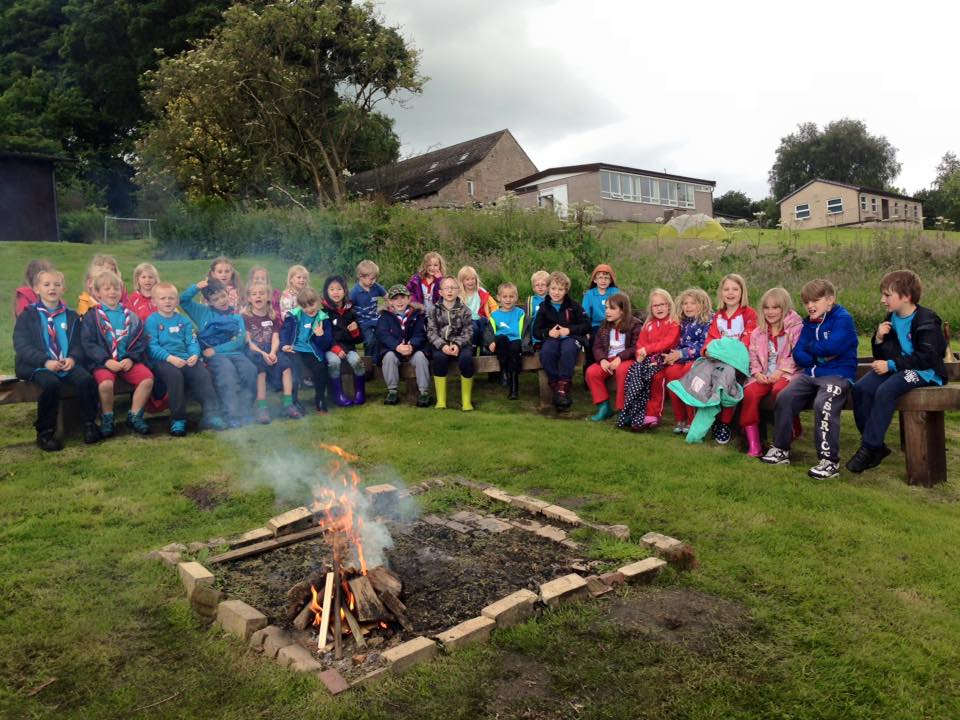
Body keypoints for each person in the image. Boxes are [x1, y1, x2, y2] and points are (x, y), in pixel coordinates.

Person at [847, 270, 948, 473]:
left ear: (906, 297)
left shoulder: (927, 320)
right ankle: (875, 445)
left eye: (887, 295)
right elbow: (883, 355)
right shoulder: (891, 318)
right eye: (883, 295)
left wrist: (891, 365)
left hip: (924, 372)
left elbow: (927, 357)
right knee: (861, 388)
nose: (882, 300)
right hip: (898, 368)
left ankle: (869, 448)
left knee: (886, 390)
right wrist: (879, 340)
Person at [761, 279, 858, 480]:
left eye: (815, 301)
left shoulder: (842, 319)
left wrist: (813, 349)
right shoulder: (808, 322)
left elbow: (835, 346)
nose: (810, 306)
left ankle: (829, 461)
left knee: (824, 404)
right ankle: (780, 449)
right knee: (785, 396)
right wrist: (819, 353)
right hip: (810, 375)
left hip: (838, 375)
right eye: (806, 302)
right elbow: (798, 354)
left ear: (830, 300)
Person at [13, 269, 101, 450]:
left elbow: (78, 343)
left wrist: (73, 358)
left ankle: (89, 425)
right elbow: (22, 346)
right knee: (51, 384)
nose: (52, 288)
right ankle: (45, 433)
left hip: (65, 363)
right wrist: (45, 361)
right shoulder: (28, 316)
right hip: (38, 365)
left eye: (57, 284)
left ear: (63, 289)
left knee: (85, 380)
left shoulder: (72, 316)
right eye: (46, 285)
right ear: (37, 289)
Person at [145, 282, 226, 436]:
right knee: (174, 376)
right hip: (163, 361)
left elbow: (191, 341)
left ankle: (212, 414)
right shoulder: (152, 320)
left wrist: (194, 355)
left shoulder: (183, 320)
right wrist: (170, 358)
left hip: (185, 359)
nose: (168, 301)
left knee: (202, 373)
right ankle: (178, 418)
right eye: (163, 298)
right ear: (154, 302)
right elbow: (152, 347)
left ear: (176, 301)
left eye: (171, 298)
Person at [81, 270, 155, 436]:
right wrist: (106, 361)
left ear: (121, 291)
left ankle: (135, 416)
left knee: (147, 379)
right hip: (104, 363)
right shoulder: (92, 317)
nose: (112, 292)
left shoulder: (131, 316)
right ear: (97, 293)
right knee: (106, 384)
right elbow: (88, 343)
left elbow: (141, 340)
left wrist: (131, 357)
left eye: (116, 288)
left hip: (127, 361)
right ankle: (107, 417)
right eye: (106, 289)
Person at [180, 278, 257, 427]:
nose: (221, 301)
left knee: (250, 370)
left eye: (223, 296)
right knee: (227, 374)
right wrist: (196, 286)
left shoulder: (236, 316)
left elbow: (239, 340)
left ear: (228, 294)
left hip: (234, 353)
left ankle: (246, 410)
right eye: (216, 299)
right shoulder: (202, 313)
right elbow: (182, 300)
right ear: (208, 302)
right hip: (216, 358)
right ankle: (231, 414)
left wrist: (216, 349)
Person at [740, 288, 803, 457]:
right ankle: (754, 444)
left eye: (775, 308)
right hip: (765, 374)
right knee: (750, 394)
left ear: (784, 308)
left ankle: (790, 429)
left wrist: (781, 370)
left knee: (779, 392)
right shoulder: (758, 332)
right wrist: (757, 372)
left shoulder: (796, 328)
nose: (770, 312)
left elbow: (797, 354)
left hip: (787, 373)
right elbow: (753, 355)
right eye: (766, 308)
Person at [703, 273, 758, 443]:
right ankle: (709, 418)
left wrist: (726, 354)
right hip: (718, 359)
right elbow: (711, 339)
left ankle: (725, 422)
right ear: (721, 293)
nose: (730, 293)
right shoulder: (718, 316)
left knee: (728, 377)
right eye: (726, 289)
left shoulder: (749, 314)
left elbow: (746, 341)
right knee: (704, 373)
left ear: (742, 292)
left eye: (735, 289)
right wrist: (707, 350)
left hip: (739, 362)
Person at [617, 289, 680, 431]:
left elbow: (668, 342)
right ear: (651, 308)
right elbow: (641, 343)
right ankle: (633, 412)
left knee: (657, 378)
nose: (659, 308)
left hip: (664, 360)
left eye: (662, 304)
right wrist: (641, 354)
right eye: (655, 305)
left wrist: (649, 351)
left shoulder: (673, 323)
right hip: (647, 360)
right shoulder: (649, 324)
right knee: (635, 374)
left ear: (669, 305)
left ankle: (653, 414)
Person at [243, 281, 299, 423]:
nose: (258, 296)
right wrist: (263, 354)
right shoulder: (246, 317)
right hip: (255, 351)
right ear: (249, 298)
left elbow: (275, 337)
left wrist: (273, 352)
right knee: (260, 370)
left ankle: (288, 404)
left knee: (286, 366)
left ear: (268, 296)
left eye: (262, 293)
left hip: (271, 349)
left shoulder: (272, 316)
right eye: (254, 294)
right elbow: (248, 341)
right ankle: (262, 408)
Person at [534, 271, 590, 411]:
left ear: (566, 290)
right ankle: (558, 388)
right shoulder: (544, 307)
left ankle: (562, 388)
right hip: (552, 338)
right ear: (548, 289)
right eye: (553, 288)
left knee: (568, 349)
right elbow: (536, 330)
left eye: (560, 289)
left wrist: (569, 330)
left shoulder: (574, 306)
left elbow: (586, 326)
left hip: (571, 338)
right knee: (547, 352)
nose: (556, 292)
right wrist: (548, 332)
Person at [662, 288, 712, 434]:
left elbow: (704, 346)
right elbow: (677, 342)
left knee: (687, 373)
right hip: (682, 358)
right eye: (685, 303)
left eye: (692, 303)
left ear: (702, 304)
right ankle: (680, 418)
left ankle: (692, 419)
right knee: (671, 373)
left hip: (700, 360)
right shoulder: (682, 322)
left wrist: (681, 353)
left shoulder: (707, 320)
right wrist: (672, 355)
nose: (688, 307)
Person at [584, 292, 639, 421]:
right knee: (592, 372)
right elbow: (597, 346)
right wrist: (602, 359)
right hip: (608, 359)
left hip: (626, 359)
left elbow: (635, 347)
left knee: (622, 371)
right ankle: (604, 408)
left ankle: (623, 409)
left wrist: (620, 358)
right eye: (606, 308)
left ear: (622, 311)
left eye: (612, 308)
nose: (607, 311)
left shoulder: (635, 325)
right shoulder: (605, 325)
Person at [376, 284, 431, 407]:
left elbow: (421, 334)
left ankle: (424, 392)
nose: (399, 301)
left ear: (409, 298)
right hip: (394, 349)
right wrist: (397, 346)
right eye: (395, 298)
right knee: (388, 357)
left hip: (413, 349)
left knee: (421, 357)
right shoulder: (384, 316)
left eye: (402, 297)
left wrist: (412, 345)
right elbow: (383, 335)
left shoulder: (417, 315)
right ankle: (392, 391)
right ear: (390, 301)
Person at [280, 287, 333, 414]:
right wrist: (284, 345)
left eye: (311, 304)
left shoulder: (323, 318)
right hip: (295, 349)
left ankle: (320, 399)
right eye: (304, 307)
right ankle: (294, 401)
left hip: (312, 351)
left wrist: (320, 336)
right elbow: (285, 332)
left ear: (318, 301)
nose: (309, 309)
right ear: (300, 306)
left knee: (321, 367)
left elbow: (327, 343)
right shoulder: (293, 316)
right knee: (294, 367)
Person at [427, 276, 475, 410]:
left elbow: (469, 331)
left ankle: (466, 401)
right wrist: (442, 346)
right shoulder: (433, 310)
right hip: (441, 344)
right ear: (440, 292)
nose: (450, 291)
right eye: (446, 288)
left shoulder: (465, 310)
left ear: (458, 291)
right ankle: (441, 400)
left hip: (461, 344)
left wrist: (457, 344)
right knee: (438, 358)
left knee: (466, 359)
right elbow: (431, 332)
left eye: (453, 288)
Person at [322, 275, 366, 406]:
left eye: (339, 289)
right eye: (332, 289)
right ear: (327, 291)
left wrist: (355, 331)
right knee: (334, 362)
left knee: (357, 362)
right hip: (332, 349)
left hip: (349, 348)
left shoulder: (350, 311)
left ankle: (360, 392)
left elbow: (359, 339)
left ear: (345, 291)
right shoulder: (324, 313)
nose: (336, 292)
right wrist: (336, 349)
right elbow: (325, 337)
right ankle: (338, 394)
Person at [484, 282, 526, 400]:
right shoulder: (494, 315)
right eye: (505, 297)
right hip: (500, 343)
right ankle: (504, 371)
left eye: (511, 297)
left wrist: (525, 345)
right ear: (499, 298)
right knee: (502, 339)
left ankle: (513, 388)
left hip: (516, 341)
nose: (508, 300)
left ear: (516, 298)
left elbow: (525, 331)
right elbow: (488, 331)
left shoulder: (520, 313)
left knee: (513, 351)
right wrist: (491, 341)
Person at [581, 264, 620, 371]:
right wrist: (586, 331)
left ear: (611, 280)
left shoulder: (615, 292)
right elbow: (585, 315)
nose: (603, 281)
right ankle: (590, 373)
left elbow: (622, 310)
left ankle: (613, 369)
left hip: (614, 324)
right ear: (594, 280)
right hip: (595, 326)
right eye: (600, 278)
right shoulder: (589, 294)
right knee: (592, 342)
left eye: (606, 278)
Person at [349, 259, 386, 360]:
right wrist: (352, 321)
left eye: (375, 279)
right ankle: (368, 361)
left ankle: (377, 360)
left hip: (376, 319)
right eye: (371, 279)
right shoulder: (355, 292)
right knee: (370, 340)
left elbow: (387, 297)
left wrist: (390, 306)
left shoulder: (376, 287)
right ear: (361, 277)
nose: (373, 281)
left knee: (380, 337)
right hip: (363, 321)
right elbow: (348, 307)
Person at [457, 265, 498, 350]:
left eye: (473, 279)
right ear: (462, 281)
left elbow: (493, 305)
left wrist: (492, 316)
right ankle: (473, 347)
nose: (470, 282)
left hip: (481, 318)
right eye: (467, 279)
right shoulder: (460, 295)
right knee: (474, 327)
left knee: (485, 323)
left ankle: (485, 346)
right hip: (468, 320)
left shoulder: (481, 291)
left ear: (476, 279)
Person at [523, 270, 550, 352]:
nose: (540, 287)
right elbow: (527, 320)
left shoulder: (553, 299)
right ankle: (535, 343)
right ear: (533, 288)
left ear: (548, 286)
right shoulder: (530, 300)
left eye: (543, 285)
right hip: (535, 334)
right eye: (537, 285)